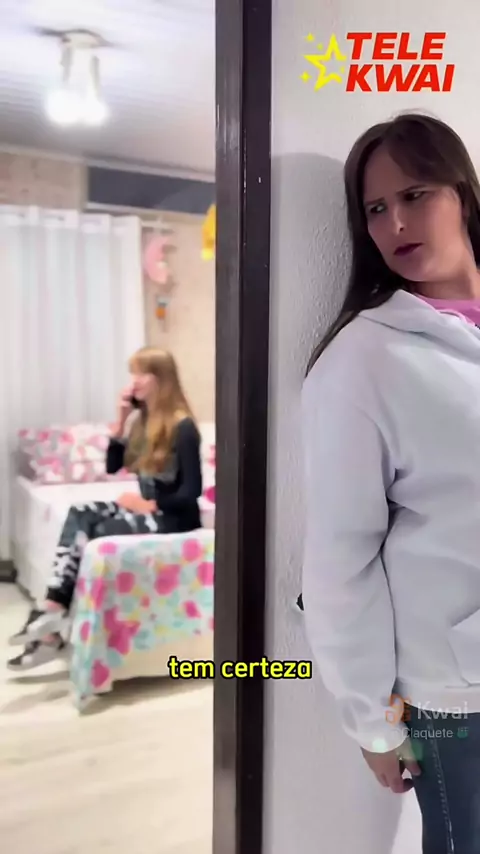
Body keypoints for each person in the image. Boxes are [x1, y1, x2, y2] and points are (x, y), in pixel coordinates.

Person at [301, 113, 480, 854]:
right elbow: (340, 558)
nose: (395, 223)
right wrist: (373, 721)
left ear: (463, 193)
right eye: (376, 208)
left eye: (415, 195)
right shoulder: (364, 362)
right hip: (456, 691)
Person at [8, 347, 202, 672]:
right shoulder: (142, 422)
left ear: (161, 379)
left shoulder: (183, 427)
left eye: (141, 374)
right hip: (148, 511)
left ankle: (51, 633)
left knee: (99, 532)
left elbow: (192, 491)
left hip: (175, 519)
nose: (134, 381)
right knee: (80, 513)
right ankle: (52, 609)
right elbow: (113, 467)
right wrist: (121, 420)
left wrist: (148, 504)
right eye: (133, 373)